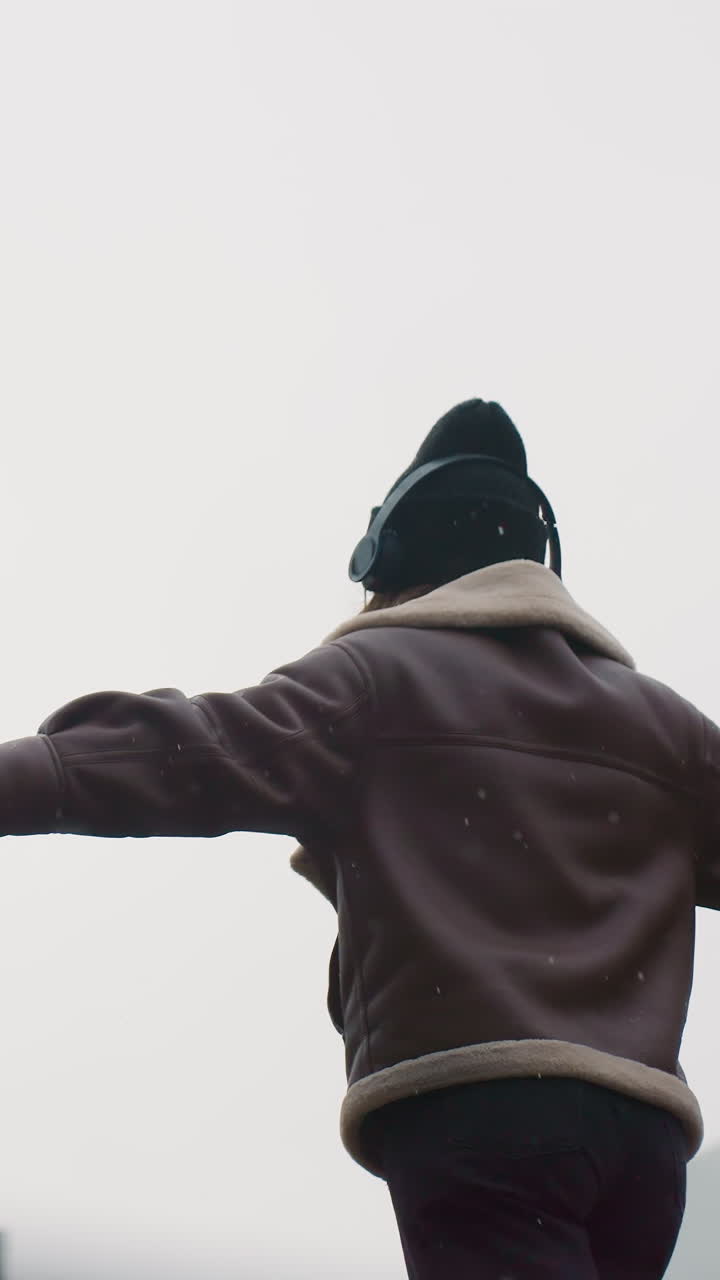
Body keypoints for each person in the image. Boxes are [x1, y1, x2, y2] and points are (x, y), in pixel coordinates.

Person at [0, 398, 706, 1278]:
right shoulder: (666, 730)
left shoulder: (379, 685)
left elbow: (180, 752)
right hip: (644, 1153)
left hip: (484, 1120)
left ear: (401, 560)